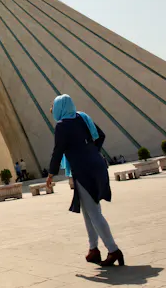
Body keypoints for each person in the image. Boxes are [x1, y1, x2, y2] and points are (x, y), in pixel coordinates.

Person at [46, 94, 124, 267]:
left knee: (94, 212)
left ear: (60, 108)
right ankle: (93, 249)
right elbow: (100, 135)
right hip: (97, 164)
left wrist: (51, 174)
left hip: (83, 169)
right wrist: (91, 151)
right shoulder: (83, 117)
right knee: (88, 210)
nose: (51, 111)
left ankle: (113, 250)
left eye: (53, 107)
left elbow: (58, 151)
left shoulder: (62, 126)